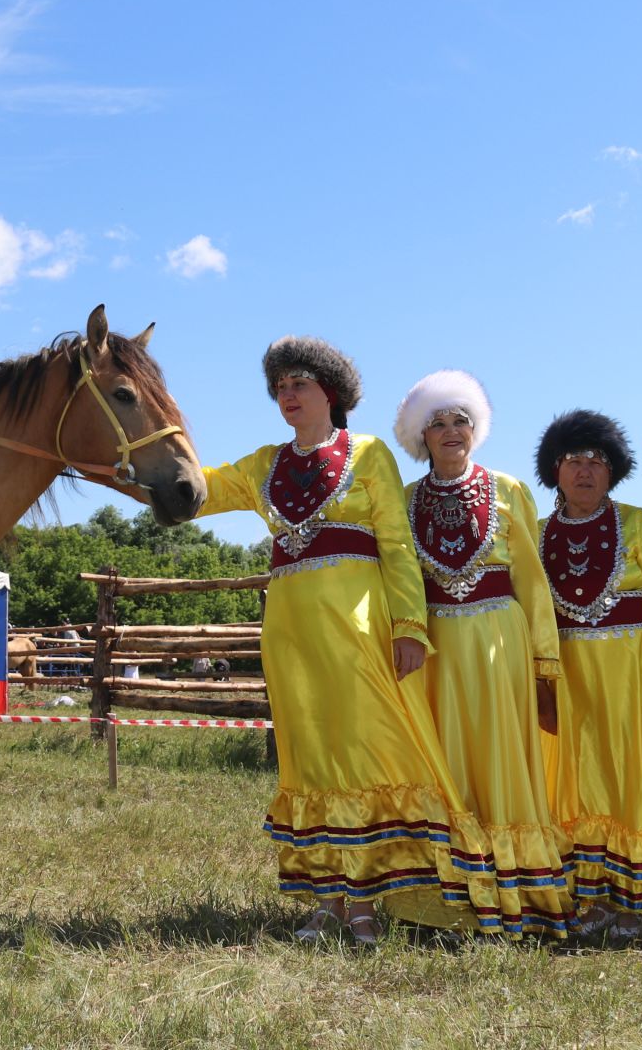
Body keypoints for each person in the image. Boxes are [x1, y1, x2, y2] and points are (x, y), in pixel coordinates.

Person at [196, 337, 492, 944]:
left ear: (329, 391)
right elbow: (194, 491)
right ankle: (328, 901)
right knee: (309, 758)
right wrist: (123, 462)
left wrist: (410, 626)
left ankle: (367, 902)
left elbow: (397, 548)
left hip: (357, 631)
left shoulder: (369, 454)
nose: (287, 396)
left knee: (364, 754)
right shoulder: (261, 465)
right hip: (290, 635)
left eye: (298, 384)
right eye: (279, 388)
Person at [394, 370, 574, 939]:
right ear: (420, 437)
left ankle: (516, 895)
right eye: (438, 424)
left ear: (478, 429)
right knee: (444, 759)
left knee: (501, 756)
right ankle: (446, 897)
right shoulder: (403, 501)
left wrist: (545, 665)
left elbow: (532, 581)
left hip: (501, 639)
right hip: (438, 646)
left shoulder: (509, 490)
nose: (451, 432)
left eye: (461, 421)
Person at [532, 410, 642, 942]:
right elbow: (533, 615)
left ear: (613, 471)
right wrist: (540, 687)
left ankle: (635, 899)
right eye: (574, 461)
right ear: (555, 471)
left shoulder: (637, 522)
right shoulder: (536, 535)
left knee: (631, 777)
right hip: (570, 674)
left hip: (631, 672)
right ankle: (588, 896)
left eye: (596, 462)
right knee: (574, 781)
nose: (585, 471)